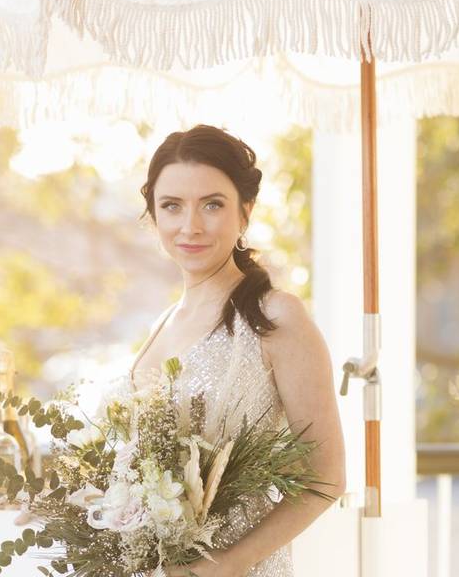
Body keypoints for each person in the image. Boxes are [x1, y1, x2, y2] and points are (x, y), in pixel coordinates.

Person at [129, 125, 346, 577]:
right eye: (172, 206)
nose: (190, 226)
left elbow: (325, 477)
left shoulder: (276, 317)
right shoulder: (161, 324)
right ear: (154, 217)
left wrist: (229, 564)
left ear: (244, 213)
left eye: (212, 204)